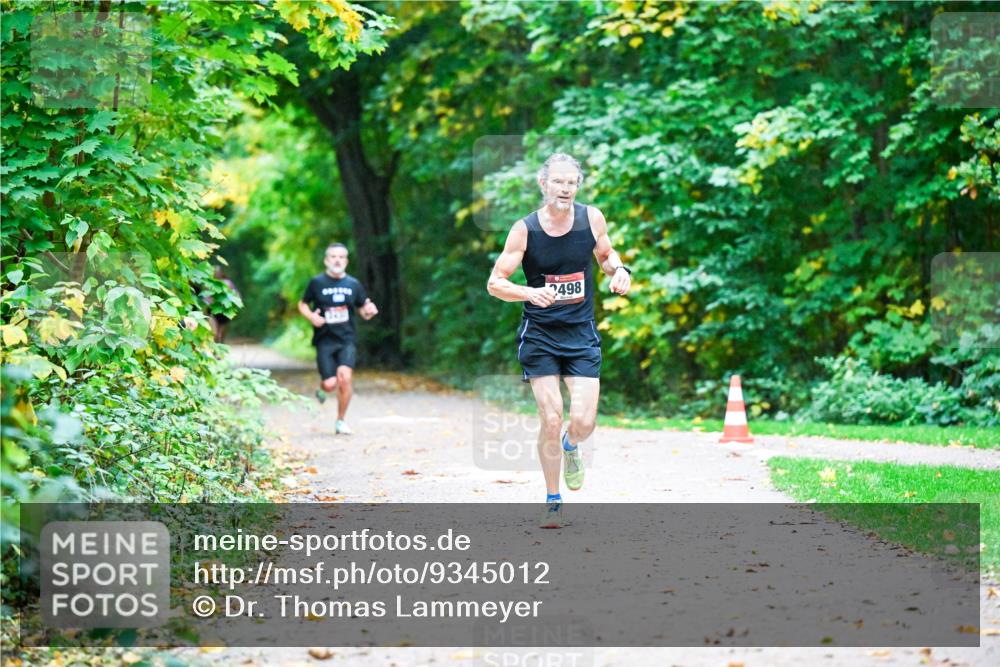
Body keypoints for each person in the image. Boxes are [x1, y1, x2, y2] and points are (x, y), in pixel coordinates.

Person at [486, 153, 632, 528]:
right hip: (540, 336)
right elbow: (495, 283)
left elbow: (606, 254)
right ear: (544, 184)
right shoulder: (524, 230)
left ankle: (572, 447)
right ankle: (553, 498)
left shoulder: (591, 218)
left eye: (572, 183)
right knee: (551, 418)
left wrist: (620, 271)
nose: (565, 189)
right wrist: (528, 293)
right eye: (558, 182)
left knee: (582, 422)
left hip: (581, 334)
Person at [298, 243, 379, 435]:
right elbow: (302, 304)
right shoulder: (317, 283)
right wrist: (312, 317)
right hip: (324, 340)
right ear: (326, 260)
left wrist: (369, 311)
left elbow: (363, 308)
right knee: (330, 384)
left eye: (341, 257)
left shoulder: (353, 284)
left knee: (345, 379)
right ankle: (322, 389)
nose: (337, 260)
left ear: (346, 261)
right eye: (333, 257)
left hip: (346, 339)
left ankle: (340, 421)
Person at [206, 265, 240, 344]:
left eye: (218, 272)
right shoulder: (210, 283)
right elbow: (206, 296)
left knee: (220, 333)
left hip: (225, 310)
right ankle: (215, 350)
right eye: (215, 272)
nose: (216, 273)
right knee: (215, 333)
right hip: (213, 310)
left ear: (221, 273)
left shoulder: (227, 283)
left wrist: (233, 302)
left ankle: (219, 348)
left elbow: (236, 295)